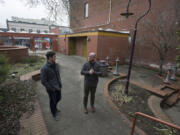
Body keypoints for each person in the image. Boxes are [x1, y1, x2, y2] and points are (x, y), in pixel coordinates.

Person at [41, 51, 62, 120]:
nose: (55, 58)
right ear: (50, 58)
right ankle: (54, 113)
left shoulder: (56, 65)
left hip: (58, 86)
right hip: (51, 88)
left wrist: (60, 83)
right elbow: (43, 81)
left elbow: (58, 75)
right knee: (52, 101)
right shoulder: (44, 68)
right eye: (54, 56)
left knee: (58, 98)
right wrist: (50, 88)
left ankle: (54, 107)